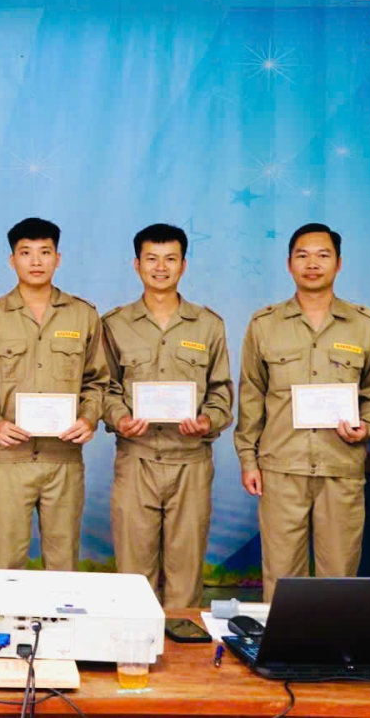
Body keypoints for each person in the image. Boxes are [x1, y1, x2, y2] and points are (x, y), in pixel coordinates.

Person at [235, 223, 370, 602]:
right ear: (289, 263)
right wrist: (248, 460)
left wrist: (367, 425)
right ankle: (282, 645)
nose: (312, 264)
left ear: (339, 264)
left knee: (338, 579)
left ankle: (332, 645)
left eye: (323, 255)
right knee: (280, 578)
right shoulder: (265, 324)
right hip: (281, 468)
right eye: (302, 256)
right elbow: (251, 396)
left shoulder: (364, 325)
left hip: (340, 466)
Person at [0, 218, 108, 571]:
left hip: (64, 459)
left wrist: (89, 418)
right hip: (10, 460)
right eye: (26, 253)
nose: (36, 261)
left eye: (45, 252)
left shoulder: (83, 315)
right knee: (6, 564)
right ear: (12, 260)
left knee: (63, 563)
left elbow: (98, 382)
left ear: (58, 258)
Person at [101, 224, 232, 609]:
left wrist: (207, 420)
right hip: (136, 460)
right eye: (152, 259)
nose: (161, 268)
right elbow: (104, 387)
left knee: (185, 576)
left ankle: (183, 644)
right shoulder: (114, 324)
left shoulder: (208, 324)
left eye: (170, 259)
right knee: (133, 576)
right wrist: (120, 418)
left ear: (183, 265)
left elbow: (222, 390)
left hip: (190, 462)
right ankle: (133, 644)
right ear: (137, 264)